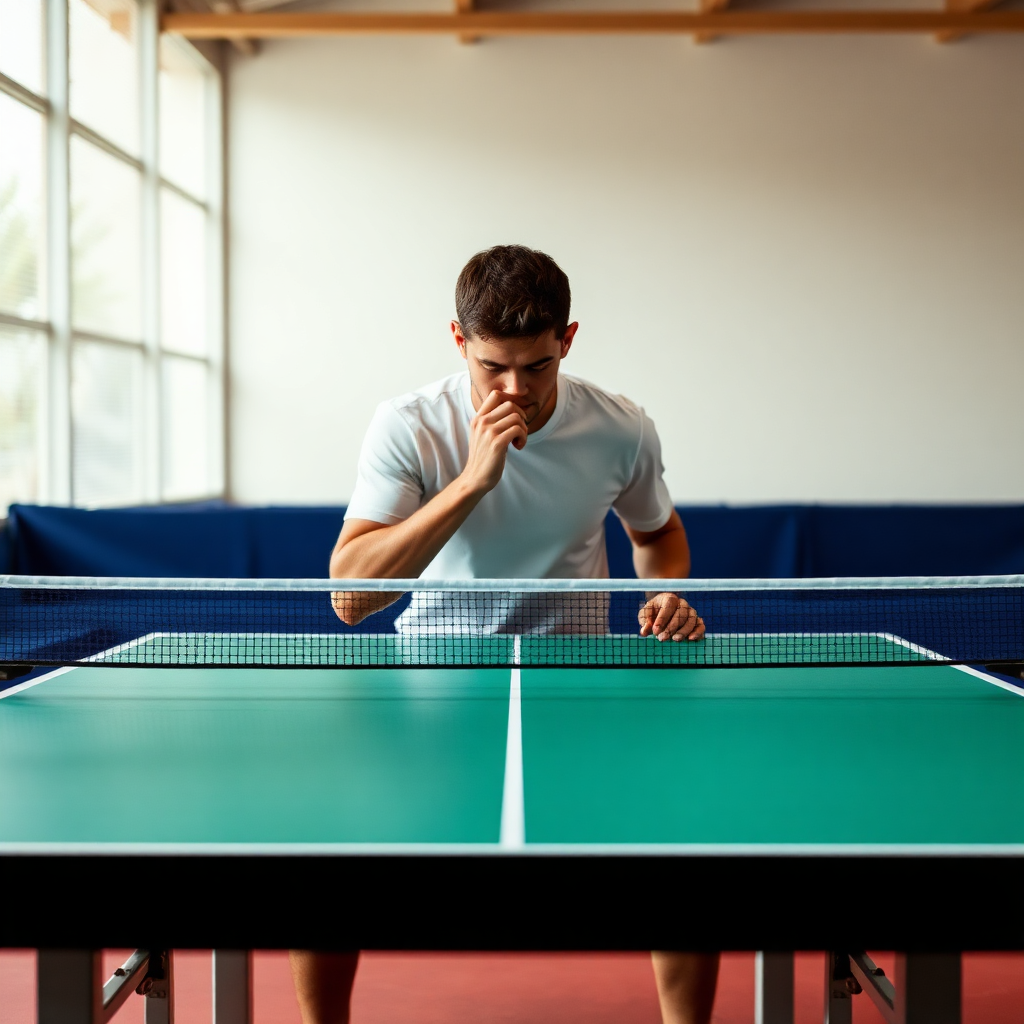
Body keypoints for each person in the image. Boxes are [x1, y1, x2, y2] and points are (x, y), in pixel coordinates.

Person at [292, 244, 718, 1024]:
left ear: (569, 339)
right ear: (458, 341)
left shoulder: (621, 428)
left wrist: (664, 595)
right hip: (432, 681)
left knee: (677, 844)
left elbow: (658, 536)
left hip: (578, 681)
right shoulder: (410, 425)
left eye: (537, 365)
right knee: (331, 852)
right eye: (494, 367)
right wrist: (471, 480)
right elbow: (350, 597)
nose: (516, 388)